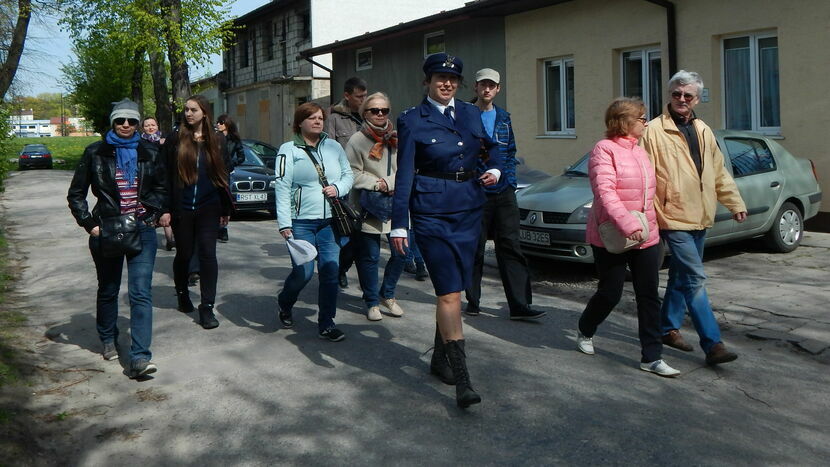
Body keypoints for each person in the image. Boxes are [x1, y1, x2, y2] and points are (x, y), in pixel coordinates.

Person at [391, 53, 501, 408]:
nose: (447, 83)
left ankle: (440, 359)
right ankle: (463, 379)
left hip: (469, 207)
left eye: (453, 79)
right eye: (440, 77)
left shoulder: (470, 113)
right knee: (450, 293)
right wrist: (398, 224)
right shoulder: (411, 119)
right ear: (427, 81)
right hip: (431, 212)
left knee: (458, 285)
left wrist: (496, 171)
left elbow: (493, 151)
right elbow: (405, 173)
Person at [641, 70, 747, 366]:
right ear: (669, 96)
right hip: (671, 215)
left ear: (697, 98)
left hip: (700, 214)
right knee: (695, 279)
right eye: (676, 94)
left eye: (688, 95)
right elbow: (644, 175)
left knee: (681, 275)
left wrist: (733, 201)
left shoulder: (703, 130)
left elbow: (719, 171)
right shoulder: (653, 131)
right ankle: (713, 344)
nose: (682, 100)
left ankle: (666, 328)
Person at [576, 97, 680, 377]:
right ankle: (585, 329)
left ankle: (652, 357)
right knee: (610, 292)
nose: (645, 123)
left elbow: (649, 196)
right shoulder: (603, 150)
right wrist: (625, 222)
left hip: (646, 234)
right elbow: (605, 192)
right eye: (641, 118)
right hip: (612, 234)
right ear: (625, 122)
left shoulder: (640, 151)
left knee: (648, 295)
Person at [67, 98, 169, 379]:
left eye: (132, 120)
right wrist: (90, 225)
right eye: (120, 120)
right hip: (107, 230)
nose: (126, 125)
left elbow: (163, 187)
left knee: (140, 292)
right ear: (112, 122)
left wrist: (154, 212)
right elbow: (76, 193)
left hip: (142, 231)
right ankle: (108, 337)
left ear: (138, 123)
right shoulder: (96, 152)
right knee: (109, 289)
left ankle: (139, 357)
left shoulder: (149, 151)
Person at [464, 68, 544, 321]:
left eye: (492, 86)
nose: (487, 89)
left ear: (498, 89)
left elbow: (509, 152)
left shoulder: (503, 117)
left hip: (503, 191)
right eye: (483, 85)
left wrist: (506, 179)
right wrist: (474, 178)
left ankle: (520, 306)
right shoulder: (465, 115)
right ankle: (473, 301)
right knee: (475, 248)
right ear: (475, 88)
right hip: (475, 191)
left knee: (510, 246)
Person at [275, 102, 354, 342]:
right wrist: (284, 223)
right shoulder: (288, 149)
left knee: (330, 272)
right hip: (300, 222)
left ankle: (327, 323)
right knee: (304, 272)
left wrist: (338, 188)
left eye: (320, 117)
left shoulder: (333, 147)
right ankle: (285, 302)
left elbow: (348, 175)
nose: (318, 121)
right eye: (312, 118)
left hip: (330, 221)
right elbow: (282, 186)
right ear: (300, 122)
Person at [165, 95, 233, 330]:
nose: (188, 113)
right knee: (184, 254)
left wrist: (225, 208)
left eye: (193, 109)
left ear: (204, 112)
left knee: (207, 254)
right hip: (182, 207)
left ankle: (207, 307)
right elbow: (165, 174)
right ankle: (182, 292)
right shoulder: (176, 138)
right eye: (186, 110)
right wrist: (165, 208)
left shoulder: (217, 140)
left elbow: (223, 175)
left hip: (209, 206)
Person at [345, 92, 407, 321]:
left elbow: (407, 168)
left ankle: (387, 294)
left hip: (397, 204)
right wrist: (377, 184)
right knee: (369, 257)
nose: (380, 114)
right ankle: (371, 301)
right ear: (365, 113)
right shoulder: (357, 140)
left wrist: (389, 183)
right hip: (368, 206)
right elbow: (350, 173)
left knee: (402, 253)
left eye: (384, 110)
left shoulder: (398, 138)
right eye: (374, 110)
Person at [325, 77, 368, 289]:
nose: (363, 100)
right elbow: (329, 151)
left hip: (366, 184)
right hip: (344, 186)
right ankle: (340, 268)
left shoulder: (370, 116)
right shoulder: (334, 118)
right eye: (359, 96)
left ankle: (358, 278)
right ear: (347, 96)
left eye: (365, 95)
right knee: (347, 232)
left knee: (362, 235)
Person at [141, 117, 174, 251]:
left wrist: (164, 144)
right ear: (143, 128)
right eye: (147, 125)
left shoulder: (165, 140)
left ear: (157, 126)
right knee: (150, 214)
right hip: (148, 182)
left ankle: (170, 240)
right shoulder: (140, 143)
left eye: (153, 125)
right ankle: (149, 243)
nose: (150, 127)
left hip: (164, 178)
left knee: (166, 213)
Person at [216, 114, 246, 243]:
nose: (218, 124)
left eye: (221, 122)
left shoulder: (234, 140)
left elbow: (241, 156)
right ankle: (215, 227)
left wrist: (231, 164)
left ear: (227, 124)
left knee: (225, 199)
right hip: (214, 171)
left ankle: (223, 229)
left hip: (226, 172)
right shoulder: (215, 138)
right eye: (217, 122)